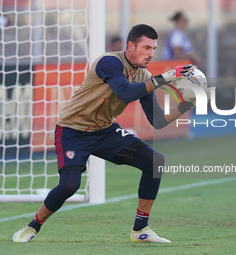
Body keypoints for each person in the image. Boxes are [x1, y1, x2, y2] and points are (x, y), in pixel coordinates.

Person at [12, 24, 201, 243]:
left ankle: (140, 230)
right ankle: (33, 226)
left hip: (105, 131)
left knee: (155, 161)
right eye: (146, 47)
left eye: (153, 49)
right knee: (69, 185)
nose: (151, 54)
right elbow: (125, 92)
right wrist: (166, 77)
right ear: (130, 46)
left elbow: (157, 120)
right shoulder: (109, 62)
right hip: (73, 130)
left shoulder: (144, 75)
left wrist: (185, 105)